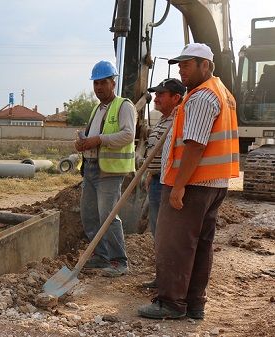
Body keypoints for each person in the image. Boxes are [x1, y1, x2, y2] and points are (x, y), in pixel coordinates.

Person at [138, 43, 239, 319]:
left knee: (176, 243)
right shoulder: (223, 93)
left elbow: (195, 145)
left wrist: (179, 185)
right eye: (179, 65)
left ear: (204, 65)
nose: (181, 70)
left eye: (187, 64)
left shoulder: (201, 98)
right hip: (213, 184)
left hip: (193, 183)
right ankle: (194, 304)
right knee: (201, 245)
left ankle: (170, 303)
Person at [75, 60, 137, 277]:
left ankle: (119, 260)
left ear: (113, 82)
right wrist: (83, 143)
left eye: (103, 83)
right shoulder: (97, 108)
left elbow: (128, 134)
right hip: (91, 168)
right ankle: (100, 256)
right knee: (89, 215)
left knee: (108, 216)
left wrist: (98, 140)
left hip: (110, 171)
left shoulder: (124, 106)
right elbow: (94, 137)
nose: (98, 87)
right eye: (96, 84)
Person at [141, 78, 186, 289]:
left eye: (161, 94)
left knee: (167, 234)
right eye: (156, 94)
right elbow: (156, 152)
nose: (156, 98)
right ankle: (162, 276)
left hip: (168, 182)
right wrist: (150, 174)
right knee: (157, 232)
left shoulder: (179, 120)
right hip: (157, 180)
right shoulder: (162, 120)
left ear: (176, 98)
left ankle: (169, 279)